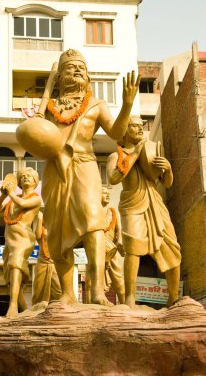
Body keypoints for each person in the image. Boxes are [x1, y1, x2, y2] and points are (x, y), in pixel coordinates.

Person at [40, 48, 140, 306]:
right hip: (54, 170)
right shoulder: (48, 108)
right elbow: (36, 137)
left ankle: (96, 291)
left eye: (81, 68)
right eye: (71, 68)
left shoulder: (96, 105)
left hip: (84, 165)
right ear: (60, 76)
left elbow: (117, 133)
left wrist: (127, 105)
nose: (76, 71)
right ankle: (67, 294)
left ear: (88, 77)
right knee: (56, 231)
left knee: (93, 221)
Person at [107, 116, 181, 308]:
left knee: (172, 247)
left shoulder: (150, 151)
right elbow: (113, 178)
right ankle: (130, 298)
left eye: (142, 126)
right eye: (134, 126)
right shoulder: (116, 156)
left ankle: (173, 298)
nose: (140, 129)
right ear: (124, 131)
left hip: (155, 201)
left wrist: (168, 169)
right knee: (133, 248)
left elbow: (166, 183)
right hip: (132, 204)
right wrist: (136, 153)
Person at [0, 168, 41, 318]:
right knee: (11, 276)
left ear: (35, 181)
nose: (25, 178)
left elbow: (23, 204)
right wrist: (2, 195)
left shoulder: (35, 198)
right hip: (10, 242)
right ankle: (25, 309)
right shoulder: (12, 200)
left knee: (15, 264)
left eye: (29, 176)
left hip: (24, 238)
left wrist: (11, 193)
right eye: (22, 176)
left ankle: (12, 307)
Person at [86, 187, 125, 304]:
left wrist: (120, 241)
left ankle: (125, 303)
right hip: (96, 251)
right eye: (104, 193)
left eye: (108, 194)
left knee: (118, 279)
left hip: (112, 251)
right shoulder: (93, 212)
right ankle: (91, 306)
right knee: (90, 281)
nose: (107, 195)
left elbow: (120, 230)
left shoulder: (113, 212)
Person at [32, 212, 62, 304]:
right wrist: (39, 219)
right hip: (42, 262)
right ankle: (37, 308)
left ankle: (57, 307)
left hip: (55, 262)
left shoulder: (56, 230)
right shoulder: (41, 229)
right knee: (39, 289)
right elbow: (37, 236)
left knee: (58, 289)